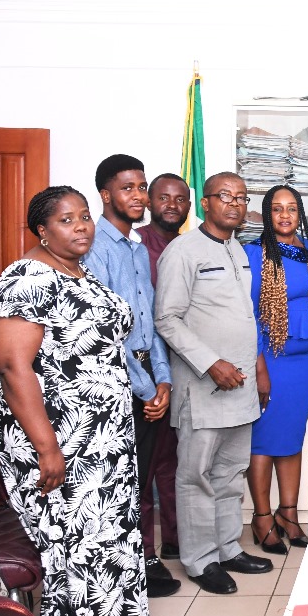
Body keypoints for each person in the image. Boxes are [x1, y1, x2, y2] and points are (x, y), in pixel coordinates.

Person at [0, 186, 149, 616]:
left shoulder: (79, 272)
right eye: (66, 219)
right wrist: (47, 448)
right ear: (42, 230)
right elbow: (11, 365)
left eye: (84, 216)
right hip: (62, 441)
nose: (81, 225)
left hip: (102, 442)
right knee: (77, 551)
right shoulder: (27, 277)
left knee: (107, 543)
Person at [155, 171, 273, 595]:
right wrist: (211, 363)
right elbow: (166, 318)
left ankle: (227, 549)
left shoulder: (238, 249)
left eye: (242, 197)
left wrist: (255, 367)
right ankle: (200, 560)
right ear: (205, 203)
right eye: (226, 196)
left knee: (230, 472)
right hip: (205, 386)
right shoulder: (182, 251)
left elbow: (242, 317)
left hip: (240, 385)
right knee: (197, 476)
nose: (236, 204)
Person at [83, 154, 181, 597]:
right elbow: (106, 332)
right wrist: (146, 388)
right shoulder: (94, 249)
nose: (138, 196)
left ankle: (142, 560)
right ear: (105, 195)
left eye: (141, 186)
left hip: (145, 378)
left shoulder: (139, 248)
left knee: (140, 478)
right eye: (128, 188)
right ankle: (128, 566)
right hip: (113, 381)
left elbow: (151, 322)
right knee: (121, 482)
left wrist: (163, 380)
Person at [244, 185, 308, 554]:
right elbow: (248, 316)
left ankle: (288, 514)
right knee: (263, 440)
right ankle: (262, 517)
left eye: (291, 208)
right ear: (267, 214)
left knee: (292, 437)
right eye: (276, 209)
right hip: (272, 359)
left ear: (300, 214)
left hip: (305, 359)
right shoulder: (255, 254)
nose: (284, 215)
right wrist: (259, 364)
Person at [135, 172, 190, 565]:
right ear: (150, 202)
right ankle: (145, 554)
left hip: (186, 369)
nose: (172, 205)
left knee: (175, 462)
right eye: (164, 198)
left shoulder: (189, 246)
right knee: (144, 469)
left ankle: (175, 539)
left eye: (180, 199)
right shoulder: (137, 246)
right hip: (148, 372)